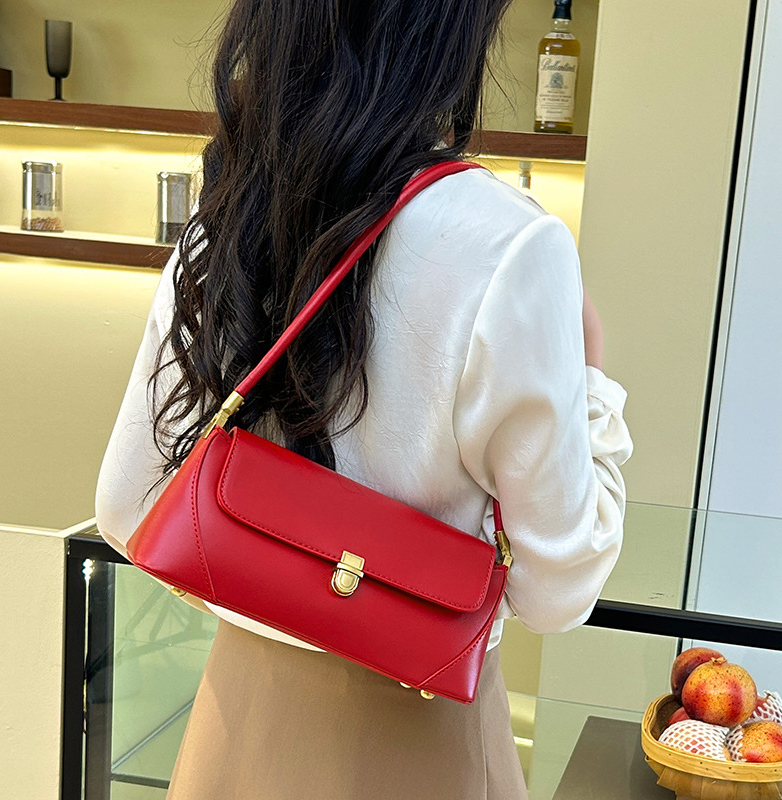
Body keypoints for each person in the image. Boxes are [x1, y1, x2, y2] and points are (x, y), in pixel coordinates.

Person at [94, 0, 634, 797]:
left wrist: (272, 562)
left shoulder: (235, 200)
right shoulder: (511, 242)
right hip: (418, 740)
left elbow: (124, 507)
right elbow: (559, 590)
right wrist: (593, 389)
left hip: (234, 728)